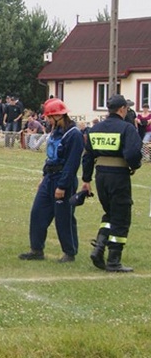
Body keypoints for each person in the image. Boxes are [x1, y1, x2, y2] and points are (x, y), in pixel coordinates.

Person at [81, 94, 143, 272]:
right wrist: (134, 166)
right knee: (121, 216)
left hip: (101, 176)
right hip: (118, 175)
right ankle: (114, 260)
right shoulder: (127, 128)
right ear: (122, 109)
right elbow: (133, 153)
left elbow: (87, 156)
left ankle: (99, 247)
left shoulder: (95, 129)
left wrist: (86, 179)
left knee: (110, 213)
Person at [18, 99, 83, 263]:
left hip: (63, 179)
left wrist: (62, 185)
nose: (46, 120)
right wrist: (44, 176)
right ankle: (36, 249)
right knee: (38, 213)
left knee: (64, 217)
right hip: (49, 177)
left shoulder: (73, 134)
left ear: (58, 116)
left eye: (49, 117)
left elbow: (72, 163)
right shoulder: (55, 131)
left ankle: (69, 252)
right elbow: (50, 157)